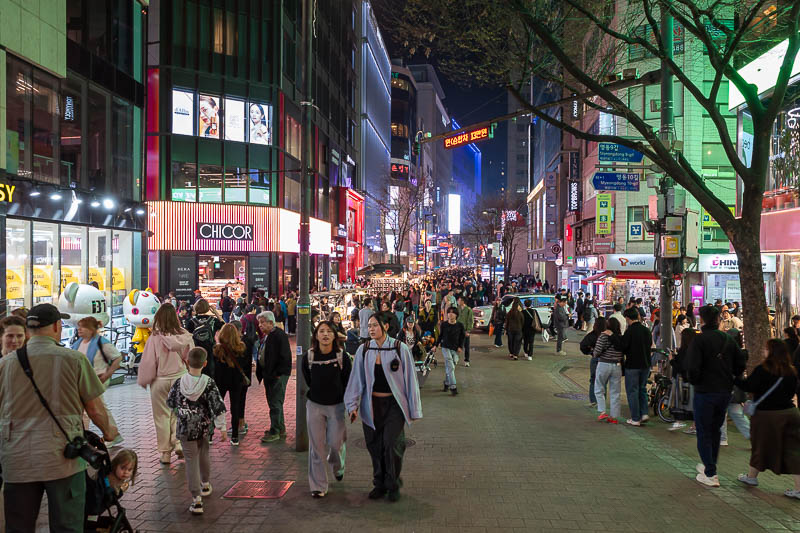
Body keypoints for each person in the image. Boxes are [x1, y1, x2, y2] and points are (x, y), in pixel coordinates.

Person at [0, 303, 118, 531]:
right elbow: (95, 409)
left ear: (28, 329)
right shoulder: (74, 360)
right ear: (56, 326)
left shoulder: (5, 365)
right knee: (67, 525)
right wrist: (110, 432)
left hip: (16, 459)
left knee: (18, 526)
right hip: (63, 458)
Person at [344, 313, 423, 502]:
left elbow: (410, 379)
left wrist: (414, 408)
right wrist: (352, 406)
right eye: (369, 326)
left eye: (374, 325)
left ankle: (393, 483)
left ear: (385, 326)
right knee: (374, 446)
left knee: (391, 444)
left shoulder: (399, 348)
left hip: (394, 406)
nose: (370, 329)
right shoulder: (364, 349)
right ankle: (379, 483)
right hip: (370, 406)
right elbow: (356, 380)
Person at [686, 305, 747, 487]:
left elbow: (692, 368)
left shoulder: (699, 341)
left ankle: (711, 472)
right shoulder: (728, 340)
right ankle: (709, 466)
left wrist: (696, 380)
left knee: (704, 432)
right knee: (715, 430)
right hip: (724, 392)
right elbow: (740, 363)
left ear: (702, 320)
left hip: (705, 392)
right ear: (719, 319)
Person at [734, 339, 800, 497]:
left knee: (759, 445)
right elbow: (792, 392)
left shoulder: (763, 369)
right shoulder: (791, 371)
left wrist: (735, 378)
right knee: (793, 451)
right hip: (790, 413)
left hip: (766, 415)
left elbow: (749, 386)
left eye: (766, 349)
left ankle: (751, 478)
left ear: (770, 351)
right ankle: (798, 488)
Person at [167, 347, 227, 515]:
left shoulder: (179, 382)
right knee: (204, 454)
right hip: (204, 426)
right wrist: (222, 427)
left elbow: (171, 403)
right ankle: (206, 484)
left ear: (186, 362)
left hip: (185, 427)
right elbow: (218, 406)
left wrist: (180, 413)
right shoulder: (209, 383)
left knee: (190, 460)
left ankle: (196, 499)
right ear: (205, 363)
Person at [137, 303, 195, 464]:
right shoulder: (184, 335)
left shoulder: (154, 338)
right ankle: (178, 443)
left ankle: (165, 453)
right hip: (180, 378)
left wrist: (144, 379)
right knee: (179, 412)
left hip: (160, 380)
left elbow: (149, 362)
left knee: (161, 416)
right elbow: (190, 357)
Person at [302, 321, 352, 498]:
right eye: (321, 331)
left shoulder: (341, 356)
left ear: (334, 335)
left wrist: (350, 404)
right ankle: (318, 485)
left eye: (329, 331)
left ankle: (338, 467)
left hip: (337, 406)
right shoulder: (308, 356)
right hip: (315, 405)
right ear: (316, 335)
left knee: (335, 444)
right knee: (316, 447)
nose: (325, 334)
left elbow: (348, 381)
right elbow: (308, 379)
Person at [71, 316, 124, 446]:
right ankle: (112, 433)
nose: (79, 329)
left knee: (94, 406)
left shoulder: (102, 342)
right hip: (84, 380)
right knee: (97, 405)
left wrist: (107, 374)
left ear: (91, 329)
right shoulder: (78, 343)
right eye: (79, 327)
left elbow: (117, 358)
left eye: (83, 327)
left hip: (97, 379)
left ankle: (110, 434)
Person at [256, 311, 292, 443]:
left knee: (275, 402)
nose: (260, 325)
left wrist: (277, 373)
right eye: (259, 322)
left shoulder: (278, 335)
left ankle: (275, 430)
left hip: (276, 375)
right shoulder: (267, 336)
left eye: (262, 322)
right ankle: (280, 427)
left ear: (271, 323)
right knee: (275, 402)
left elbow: (284, 356)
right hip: (270, 374)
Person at [213, 323, 248, 446]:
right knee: (235, 407)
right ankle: (235, 437)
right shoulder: (241, 347)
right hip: (236, 381)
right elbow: (244, 364)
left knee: (216, 406)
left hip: (221, 381)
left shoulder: (218, 349)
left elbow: (215, 368)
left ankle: (210, 435)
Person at [617, 308, 654, 427]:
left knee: (632, 391)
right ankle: (644, 413)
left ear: (628, 318)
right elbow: (649, 345)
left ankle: (635, 418)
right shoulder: (646, 330)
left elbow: (623, 346)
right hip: (646, 364)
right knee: (642, 388)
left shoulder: (630, 331)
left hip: (633, 365)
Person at [593, 317, 624, 424]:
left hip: (604, 364)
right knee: (615, 392)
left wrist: (594, 353)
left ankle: (602, 411)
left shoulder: (603, 335)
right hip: (617, 366)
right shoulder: (620, 337)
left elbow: (597, 352)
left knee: (599, 387)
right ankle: (614, 416)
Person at [187, 299, 224, 379]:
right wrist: (216, 313)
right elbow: (224, 326)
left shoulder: (191, 322)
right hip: (210, 351)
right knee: (210, 375)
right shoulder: (213, 320)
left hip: (196, 351)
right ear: (207, 308)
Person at [436, 307, 466, 394]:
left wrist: (460, 347)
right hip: (445, 347)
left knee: (450, 366)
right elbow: (440, 335)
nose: (450, 314)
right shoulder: (444, 324)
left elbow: (462, 337)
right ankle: (453, 387)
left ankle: (446, 382)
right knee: (451, 366)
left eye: (452, 313)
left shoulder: (460, 325)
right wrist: (435, 345)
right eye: (449, 312)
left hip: (456, 349)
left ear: (456, 315)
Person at [580, 317, 607, 407]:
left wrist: (590, 351)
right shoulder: (608, 334)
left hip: (595, 359)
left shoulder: (593, 334)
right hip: (606, 361)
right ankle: (602, 400)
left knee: (594, 380)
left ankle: (593, 401)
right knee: (603, 381)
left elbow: (583, 345)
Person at [456, 296, 474, 367]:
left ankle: (466, 360)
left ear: (463, 301)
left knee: (466, 346)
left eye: (459, 300)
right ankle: (456, 358)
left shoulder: (469, 310)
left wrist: (468, 330)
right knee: (456, 345)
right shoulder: (457, 308)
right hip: (457, 330)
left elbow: (470, 321)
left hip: (465, 331)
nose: (458, 301)